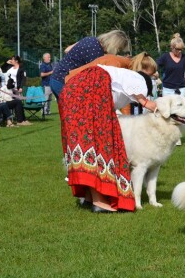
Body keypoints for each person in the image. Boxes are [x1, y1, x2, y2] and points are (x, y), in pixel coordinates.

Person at [59, 54, 158, 213]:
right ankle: (101, 201)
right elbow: (144, 101)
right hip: (88, 90)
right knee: (102, 144)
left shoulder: (117, 78)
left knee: (84, 145)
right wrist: (151, 104)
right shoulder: (137, 79)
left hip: (71, 92)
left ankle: (89, 197)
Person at [50, 29, 131, 99]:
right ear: (114, 46)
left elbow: (67, 50)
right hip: (63, 81)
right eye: (119, 49)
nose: (117, 52)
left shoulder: (90, 39)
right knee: (75, 114)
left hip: (57, 77)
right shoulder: (96, 52)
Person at [156, 33, 185, 97]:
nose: (180, 51)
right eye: (177, 49)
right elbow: (155, 66)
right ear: (172, 47)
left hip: (181, 89)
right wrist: (155, 73)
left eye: (181, 49)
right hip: (167, 89)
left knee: (180, 107)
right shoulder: (165, 57)